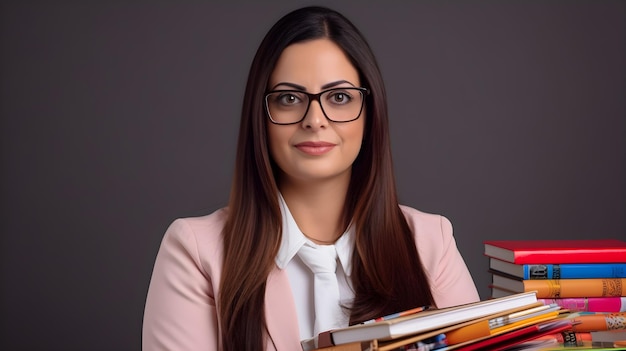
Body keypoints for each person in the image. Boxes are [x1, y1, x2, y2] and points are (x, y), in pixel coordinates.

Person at [142, 6, 479, 351]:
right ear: (261, 117)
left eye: (339, 97)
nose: (315, 119)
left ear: (370, 114)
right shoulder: (195, 252)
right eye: (289, 98)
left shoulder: (430, 244)